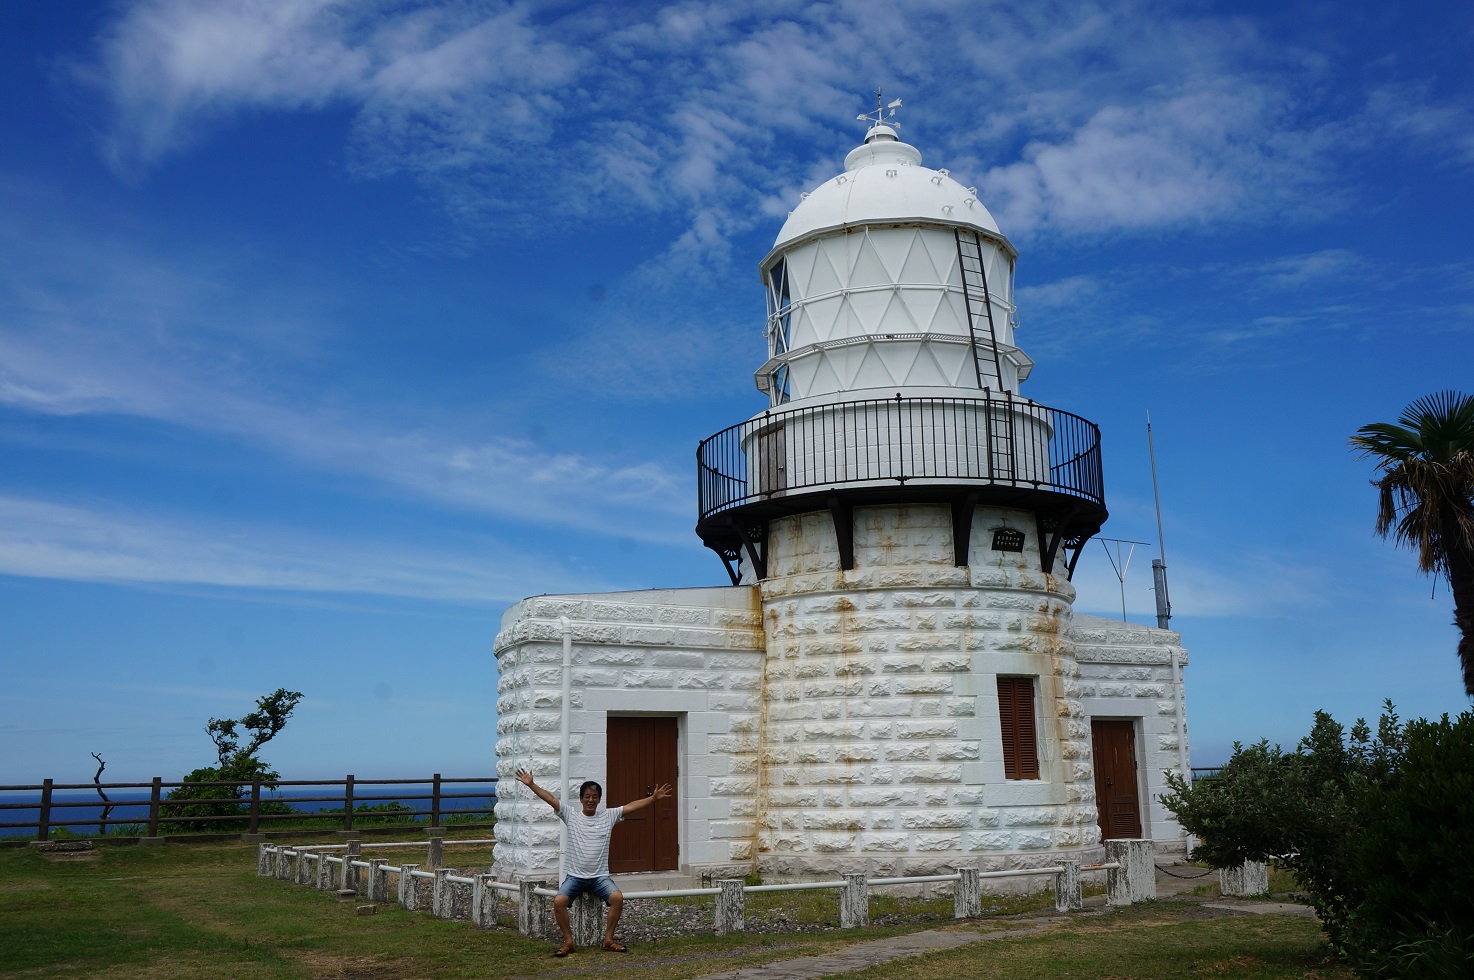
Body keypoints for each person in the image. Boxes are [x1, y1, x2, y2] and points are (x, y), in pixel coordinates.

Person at [515, 768, 672, 957]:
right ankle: (568, 942)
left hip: (599, 877)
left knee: (617, 898)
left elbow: (632, 806)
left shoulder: (609, 816)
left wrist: (653, 799)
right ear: (581, 799)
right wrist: (531, 784)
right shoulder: (571, 815)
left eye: (595, 796)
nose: (591, 800)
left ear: (599, 799)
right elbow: (550, 799)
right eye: (587, 796)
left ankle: (608, 940)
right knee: (559, 901)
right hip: (575, 877)